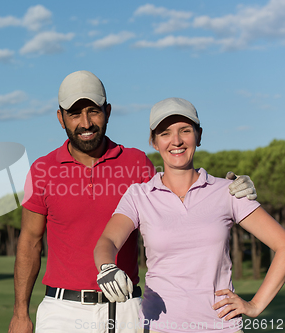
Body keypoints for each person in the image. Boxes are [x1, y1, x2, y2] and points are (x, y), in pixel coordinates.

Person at [8, 72, 257, 333]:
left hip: (126, 309)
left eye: (93, 111)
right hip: (62, 310)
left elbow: (181, 197)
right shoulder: (42, 170)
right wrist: (20, 313)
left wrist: (230, 188)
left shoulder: (137, 163)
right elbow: (30, 242)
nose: (85, 122)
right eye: (74, 114)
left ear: (108, 112)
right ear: (61, 118)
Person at [94, 97, 285, 333]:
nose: (176, 141)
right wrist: (106, 267)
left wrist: (256, 305)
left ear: (199, 135)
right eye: (165, 133)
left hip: (222, 328)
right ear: (153, 141)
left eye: (185, 130)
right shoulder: (139, 195)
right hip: (160, 327)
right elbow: (108, 241)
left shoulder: (228, 191)